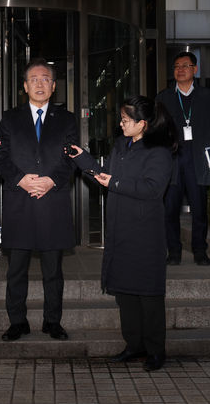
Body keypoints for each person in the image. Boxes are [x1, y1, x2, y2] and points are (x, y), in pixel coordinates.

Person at [67, 95, 176, 372]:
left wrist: (113, 181)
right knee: (126, 293)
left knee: (148, 295)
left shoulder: (159, 151)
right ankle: (134, 345)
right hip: (120, 228)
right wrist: (84, 160)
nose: (121, 123)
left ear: (143, 123)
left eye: (126, 120)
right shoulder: (121, 145)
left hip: (145, 232)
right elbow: (106, 177)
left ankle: (155, 350)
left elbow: (152, 189)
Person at [0, 58, 78, 342]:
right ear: (25, 86)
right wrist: (20, 178)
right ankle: (17, 322)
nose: (40, 84)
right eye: (34, 79)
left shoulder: (66, 119)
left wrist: (51, 180)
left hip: (53, 201)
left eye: (45, 79)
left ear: (53, 87)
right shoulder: (9, 118)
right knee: (16, 269)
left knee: (53, 270)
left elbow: (72, 156)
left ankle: (52, 322)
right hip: (20, 202)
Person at [155, 51, 210, 266]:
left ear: (195, 70)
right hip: (172, 160)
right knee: (170, 210)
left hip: (197, 159)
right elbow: (157, 130)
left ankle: (199, 251)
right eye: (176, 66)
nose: (180, 70)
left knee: (199, 210)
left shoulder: (207, 96)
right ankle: (173, 252)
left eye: (185, 66)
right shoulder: (164, 97)